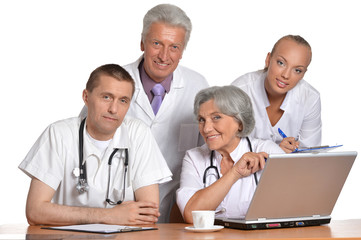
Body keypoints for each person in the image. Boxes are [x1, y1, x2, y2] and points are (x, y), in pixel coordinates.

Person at [79, 4, 209, 222]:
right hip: (114, 207)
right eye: (156, 43)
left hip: (175, 210)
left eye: (174, 47)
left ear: (182, 51)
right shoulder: (112, 83)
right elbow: (84, 138)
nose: (164, 55)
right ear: (142, 43)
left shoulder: (198, 86)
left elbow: (205, 150)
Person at [19, 64, 172, 226]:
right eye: (106, 97)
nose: (114, 109)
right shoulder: (59, 134)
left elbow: (148, 215)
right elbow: (35, 211)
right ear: (86, 97)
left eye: (123, 100)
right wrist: (108, 216)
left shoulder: (139, 134)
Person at [176, 86, 284, 223]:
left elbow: (297, 202)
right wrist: (234, 173)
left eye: (216, 117)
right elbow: (191, 215)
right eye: (202, 119)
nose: (206, 128)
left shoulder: (268, 151)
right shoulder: (194, 158)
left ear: (239, 122)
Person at [232, 35, 321, 153]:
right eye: (281, 63)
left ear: (303, 73)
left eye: (297, 70)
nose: (286, 75)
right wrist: (274, 151)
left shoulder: (310, 98)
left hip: (287, 170)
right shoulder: (240, 91)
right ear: (268, 59)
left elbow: (311, 154)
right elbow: (227, 147)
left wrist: (292, 152)